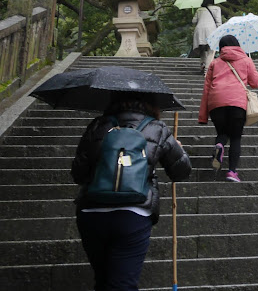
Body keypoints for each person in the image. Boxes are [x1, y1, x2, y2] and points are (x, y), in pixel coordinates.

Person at [71, 96, 192, 291]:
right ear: (152, 103)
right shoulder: (157, 128)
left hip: (92, 213)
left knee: (103, 281)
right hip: (133, 215)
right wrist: (179, 149)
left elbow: (78, 173)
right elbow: (181, 171)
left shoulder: (97, 125)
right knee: (122, 284)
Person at [199, 34, 258, 183]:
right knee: (235, 137)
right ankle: (232, 172)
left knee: (222, 132)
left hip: (216, 102)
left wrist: (203, 116)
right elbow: (256, 83)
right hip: (237, 103)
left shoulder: (214, 63)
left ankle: (219, 145)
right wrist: (249, 64)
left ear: (221, 47)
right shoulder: (246, 60)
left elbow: (206, 89)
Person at [192, 0, 222, 75]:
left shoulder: (199, 9)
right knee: (211, 50)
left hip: (199, 30)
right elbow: (218, 22)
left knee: (202, 48)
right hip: (211, 30)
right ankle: (207, 69)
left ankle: (203, 64)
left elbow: (193, 21)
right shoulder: (217, 8)